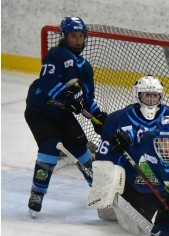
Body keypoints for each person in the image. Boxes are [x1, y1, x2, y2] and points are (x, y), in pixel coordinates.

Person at [92, 75, 169, 233]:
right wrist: (117, 153)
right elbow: (103, 159)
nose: (151, 99)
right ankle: (112, 206)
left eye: (155, 95)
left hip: (168, 187)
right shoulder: (117, 119)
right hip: (135, 187)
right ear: (138, 95)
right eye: (147, 95)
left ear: (160, 96)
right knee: (136, 229)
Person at [25, 16, 108, 216]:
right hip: (40, 111)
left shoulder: (85, 67)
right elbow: (46, 83)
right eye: (73, 36)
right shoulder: (56, 54)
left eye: (81, 36)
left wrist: (97, 115)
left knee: (81, 147)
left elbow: (87, 98)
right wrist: (65, 95)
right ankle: (37, 193)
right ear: (64, 36)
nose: (78, 40)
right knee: (50, 147)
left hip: (61, 114)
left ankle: (100, 192)